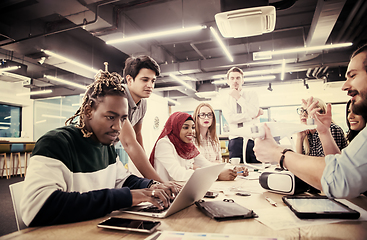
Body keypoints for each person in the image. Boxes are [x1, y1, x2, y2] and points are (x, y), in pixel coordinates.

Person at [20, 69, 178, 227]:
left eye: (123, 119)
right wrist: (127, 197)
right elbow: (37, 209)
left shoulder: (106, 145)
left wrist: (152, 186)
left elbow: (122, 180)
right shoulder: (55, 143)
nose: (118, 127)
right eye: (110, 117)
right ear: (89, 111)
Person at [253, 43, 367, 199]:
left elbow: (339, 179)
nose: (345, 86)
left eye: (352, 76)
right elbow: (338, 168)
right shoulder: (314, 133)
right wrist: (323, 132)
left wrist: (276, 152)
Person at [149, 112, 248, 182]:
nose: (191, 131)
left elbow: (207, 164)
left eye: (192, 127)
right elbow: (178, 174)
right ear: (175, 128)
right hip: (164, 194)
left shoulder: (187, 146)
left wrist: (234, 169)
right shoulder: (164, 144)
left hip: (181, 189)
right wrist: (216, 176)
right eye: (185, 127)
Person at [115, 55, 163, 182]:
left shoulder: (143, 103)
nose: (150, 85)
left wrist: (147, 168)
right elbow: (128, 143)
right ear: (129, 80)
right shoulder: (118, 96)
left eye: (153, 81)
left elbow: (137, 134)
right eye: (145, 80)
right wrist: (158, 182)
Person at [220, 67, 262, 164]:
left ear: (242, 80)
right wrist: (251, 116)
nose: (235, 81)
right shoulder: (224, 99)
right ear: (228, 81)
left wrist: (238, 97)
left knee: (256, 167)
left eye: (238, 78)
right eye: (232, 78)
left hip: (252, 138)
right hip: (235, 139)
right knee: (237, 170)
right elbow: (230, 119)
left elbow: (253, 112)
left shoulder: (252, 94)